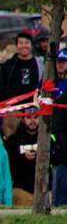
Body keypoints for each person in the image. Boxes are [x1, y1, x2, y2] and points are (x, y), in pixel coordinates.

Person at [0, 32, 43, 103]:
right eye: (21, 43)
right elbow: (1, 87)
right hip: (12, 108)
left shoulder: (39, 64)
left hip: (34, 107)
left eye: (27, 43)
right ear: (17, 46)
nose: (24, 46)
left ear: (31, 45)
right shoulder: (8, 65)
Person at [4, 114, 39, 206]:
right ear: (23, 119)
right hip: (21, 190)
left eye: (36, 117)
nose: (32, 121)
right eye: (29, 117)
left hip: (44, 190)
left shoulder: (46, 138)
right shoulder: (13, 140)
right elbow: (8, 165)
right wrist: (23, 158)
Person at [51, 48, 67, 206]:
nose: (61, 65)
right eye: (59, 62)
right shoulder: (61, 98)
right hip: (63, 155)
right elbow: (57, 129)